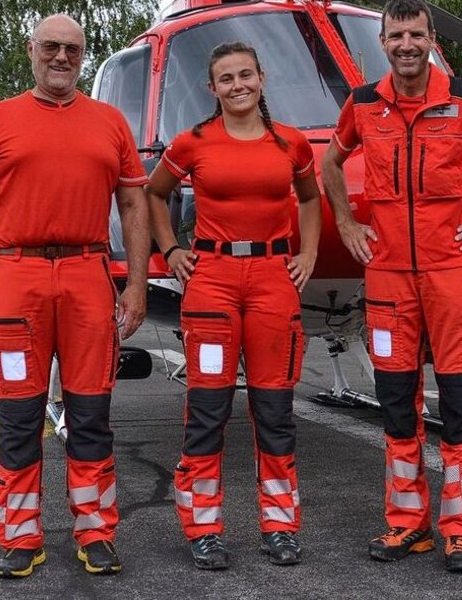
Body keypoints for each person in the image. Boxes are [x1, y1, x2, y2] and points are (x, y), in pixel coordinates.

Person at [321, 0, 462, 574]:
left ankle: (461, 532)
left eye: (416, 35)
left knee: (460, 406)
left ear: (430, 40)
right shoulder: (363, 103)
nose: (406, 46)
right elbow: (328, 164)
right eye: (396, 36)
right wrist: (347, 221)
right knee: (397, 410)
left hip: (453, 279)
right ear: (383, 42)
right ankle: (406, 525)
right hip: (390, 281)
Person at [0, 13, 150, 579]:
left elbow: (134, 206)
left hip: (89, 276)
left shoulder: (110, 123)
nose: (61, 58)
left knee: (91, 414)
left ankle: (96, 531)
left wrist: (135, 285)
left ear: (83, 56)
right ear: (31, 50)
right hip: (17, 281)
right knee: (18, 416)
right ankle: (20, 536)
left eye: (73, 49)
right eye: (51, 47)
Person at [146, 41, 321, 571]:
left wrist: (308, 252)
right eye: (227, 78)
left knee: (274, 412)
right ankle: (202, 528)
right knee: (207, 411)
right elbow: (154, 195)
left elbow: (311, 198)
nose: (238, 85)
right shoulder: (192, 143)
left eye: (246, 74)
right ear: (212, 88)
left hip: (273, 279)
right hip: (213, 280)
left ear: (262, 78)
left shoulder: (290, 143)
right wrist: (171, 249)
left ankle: (281, 525)